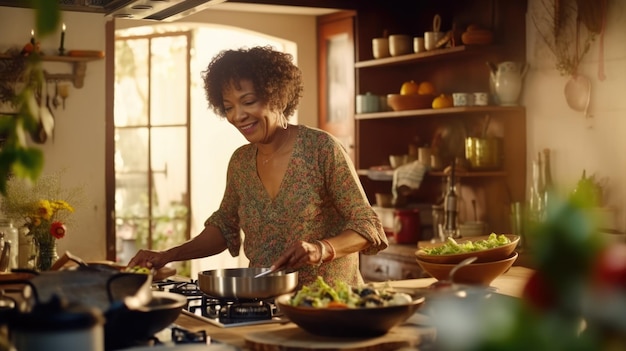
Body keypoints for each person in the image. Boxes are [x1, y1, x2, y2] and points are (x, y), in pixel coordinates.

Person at [128, 46, 388, 287]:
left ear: (278, 97)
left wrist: (320, 249)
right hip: (264, 303)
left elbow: (368, 226)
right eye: (228, 107)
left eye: (249, 102)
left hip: (330, 307)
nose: (238, 116)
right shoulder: (240, 162)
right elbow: (224, 228)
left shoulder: (321, 149)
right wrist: (167, 255)